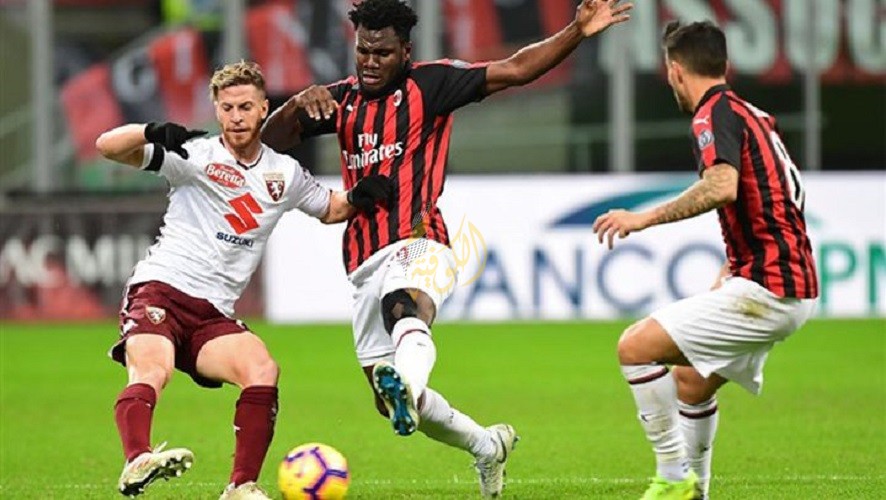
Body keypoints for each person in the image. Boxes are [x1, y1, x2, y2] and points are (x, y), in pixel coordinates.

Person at [262, 0, 632, 496]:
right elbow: (268, 144)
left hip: (421, 240)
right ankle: (486, 445)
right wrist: (294, 106)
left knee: (403, 306)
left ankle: (407, 385)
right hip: (363, 258)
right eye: (363, 51)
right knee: (385, 400)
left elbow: (517, 69)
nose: (370, 61)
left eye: (382, 53)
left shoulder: (432, 84)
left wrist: (577, 31)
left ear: (405, 51)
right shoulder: (341, 100)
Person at [96, 61, 391, 499]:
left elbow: (330, 208)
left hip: (212, 312)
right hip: (162, 288)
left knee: (261, 368)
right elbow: (106, 146)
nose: (236, 117)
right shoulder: (193, 155)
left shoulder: (284, 172)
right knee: (154, 368)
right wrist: (149, 131)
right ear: (217, 110)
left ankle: (240, 486)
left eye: (246, 107)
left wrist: (360, 196)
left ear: (263, 108)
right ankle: (137, 459)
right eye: (228, 108)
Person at [591, 21, 819, 500]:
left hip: (770, 288)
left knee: (635, 348)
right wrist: (735, 264)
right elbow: (777, 196)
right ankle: (695, 492)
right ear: (725, 65)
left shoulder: (712, 115)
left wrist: (642, 218)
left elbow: (722, 186)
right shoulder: (753, 114)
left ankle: (674, 477)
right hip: (787, 282)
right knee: (692, 383)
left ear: (675, 71)